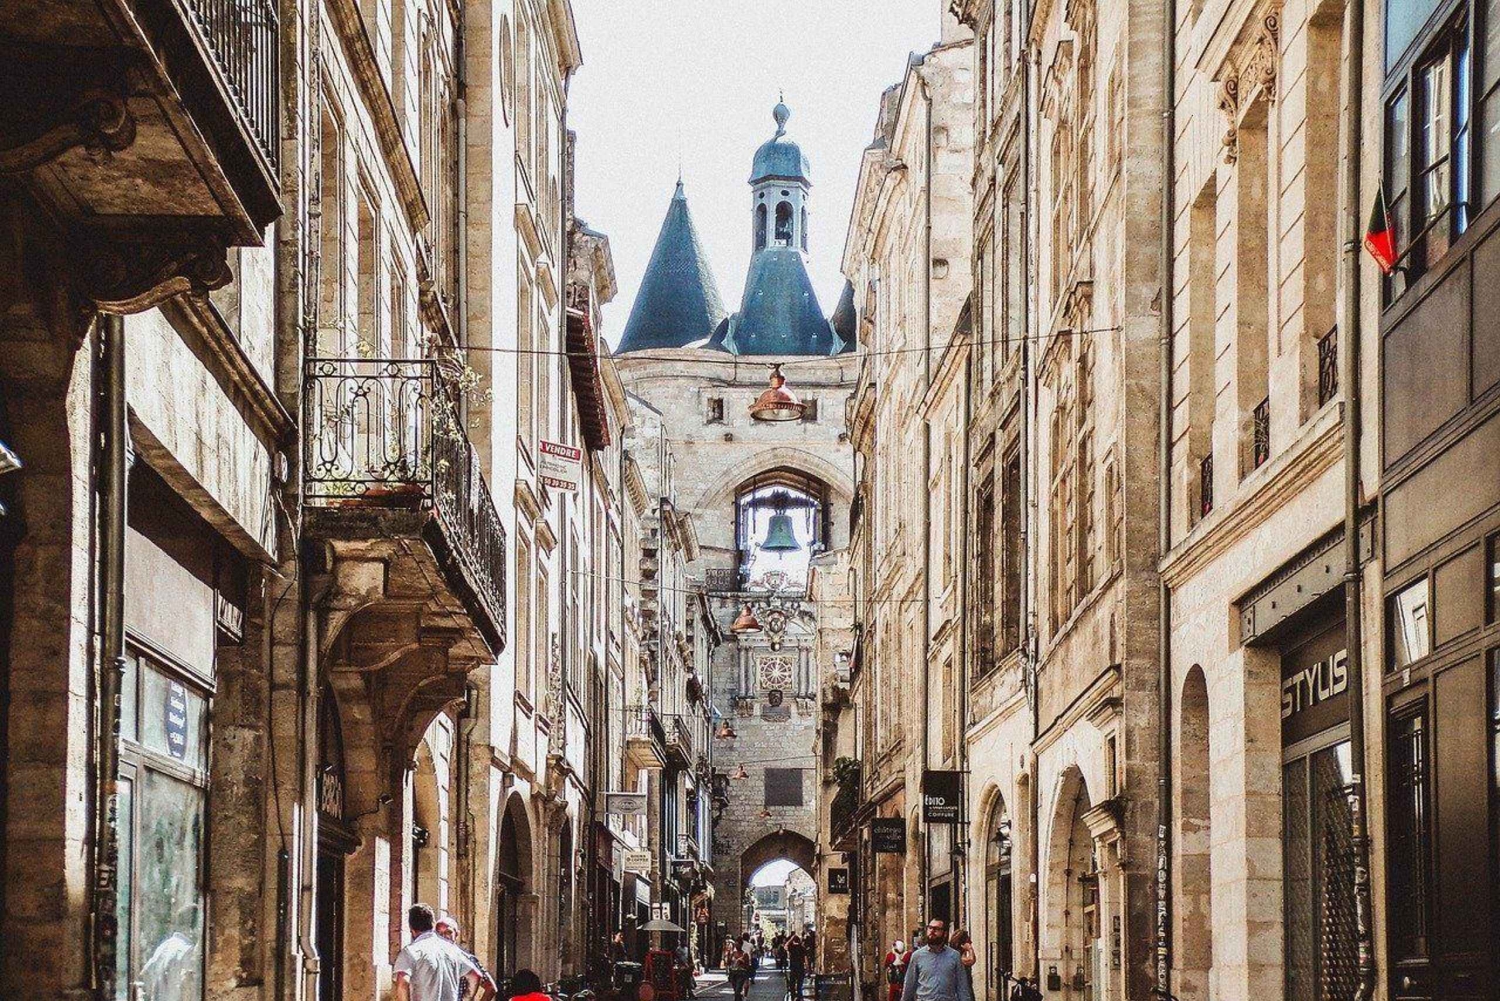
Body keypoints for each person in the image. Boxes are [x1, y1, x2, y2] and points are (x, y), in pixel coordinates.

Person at [393, 904, 481, 1001]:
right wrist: (466, 999)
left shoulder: (411, 951)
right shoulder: (453, 950)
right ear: (433, 924)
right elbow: (475, 976)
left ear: (411, 928)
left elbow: (402, 983)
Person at [899, 919, 973, 1001]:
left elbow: (962, 985)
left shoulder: (954, 956)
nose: (932, 931)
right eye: (930, 928)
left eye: (936, 929)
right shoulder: (917, 956)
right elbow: (909, 984)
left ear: (945, 934)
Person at [434, 914, 497, 1001]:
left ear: (456, 934)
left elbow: (490, 988)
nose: (443, 936)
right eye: (439, 933)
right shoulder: (431, 959)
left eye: (448, 932)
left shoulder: (467, 959)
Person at [947, 929, 976, 1001]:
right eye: (968, 941)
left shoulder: (957, 954)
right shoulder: (956, 956)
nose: (971, 942)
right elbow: (971, 960)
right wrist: (970, 949)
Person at [786, 932, 807, 1000]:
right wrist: (807, 968)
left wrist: (791, 939)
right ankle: (800, 998)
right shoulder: (802, 948)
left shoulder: (792, 948)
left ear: (793, 941)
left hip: (793, 968)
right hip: (801, 968)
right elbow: (805, 959)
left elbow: (785, 946)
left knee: (792, 985)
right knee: (799, 986)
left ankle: (793, 997)